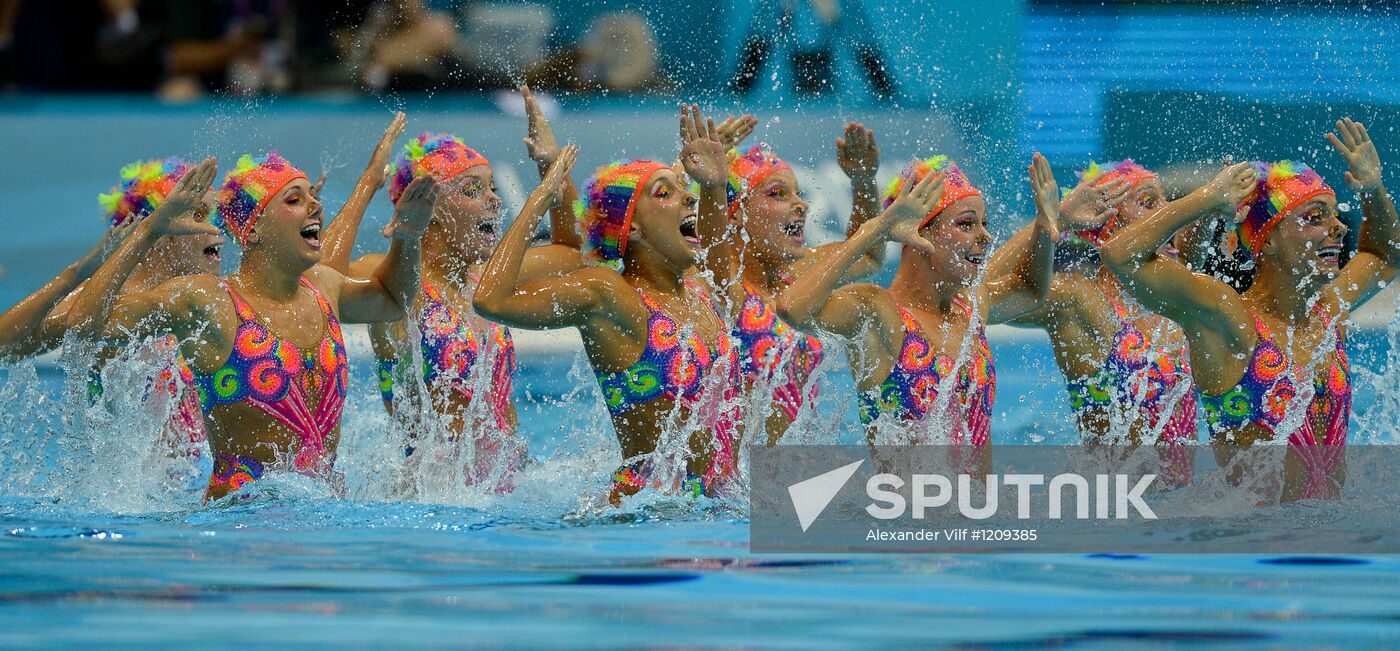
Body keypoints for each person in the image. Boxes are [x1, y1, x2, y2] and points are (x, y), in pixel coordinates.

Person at [65, 153, 436, 502]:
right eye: (293, 200)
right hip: (241, 523)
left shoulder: (324, 286)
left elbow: (393, 301)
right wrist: (148, 232)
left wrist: (407, 236)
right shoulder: (210, 301)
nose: (316, 206)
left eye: (312, 197)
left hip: (324, 516)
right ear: (253, 228)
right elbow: (83, 325)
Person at [1101, 118, 1399, 501]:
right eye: (1314, 217)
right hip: (1257, 541)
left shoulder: (1328, 311)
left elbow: (1387, 255)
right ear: (1268, 240)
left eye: (1334, 214)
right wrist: (1208, 197)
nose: (1339, 228)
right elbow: (1121, 256)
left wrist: (1373, 189)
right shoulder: (1229, 319)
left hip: (1328, 541)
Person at [475, 105, 742, 506]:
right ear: (630, 228)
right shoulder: (611, 295)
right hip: (651, 518)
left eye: (682, 190)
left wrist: (714, 187)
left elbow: (722, 262)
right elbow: (489, 299)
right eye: (665, 193)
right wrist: (542, 196)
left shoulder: (698, 292)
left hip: (716, 509)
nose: (687, 197)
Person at [321, 88, 585, 493]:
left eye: (493, 189)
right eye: (473, 190)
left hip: (506, 489)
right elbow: (321, 279)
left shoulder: (486, 278)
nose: (496, 201)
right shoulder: (395, 280)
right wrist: (370, 183)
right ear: (432, 206)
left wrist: (551, 166)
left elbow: (568, 249)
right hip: (436, 496)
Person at [778, 154, 1061, 463]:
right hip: (907, 510)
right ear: (919, 232)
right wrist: (878, 229)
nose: (985, 235)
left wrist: (1046, 228)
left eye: (984, 223)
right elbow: (793, 309)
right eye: (967, 224)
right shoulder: (877, 311)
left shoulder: (968, 307)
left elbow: (1030, 291)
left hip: (979, 509)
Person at [1003, 161, 1206, 484]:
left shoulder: (1176, 300)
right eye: (1149, 202)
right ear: (1106, 225)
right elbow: (980, 296)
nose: (1168, 214)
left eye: (1168, 203)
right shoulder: (1079, 300)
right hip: (1116, 520)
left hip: (1177, 513)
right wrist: (1053, 220)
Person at [720, 123, 885, 445]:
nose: (802, 204)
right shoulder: (715, 282)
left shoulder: (798, 275)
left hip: (788, 471)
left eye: (797, 193)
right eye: (778, 194)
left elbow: (869, 258)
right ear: (735, 214)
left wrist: (863, 182)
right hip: (728, 477)